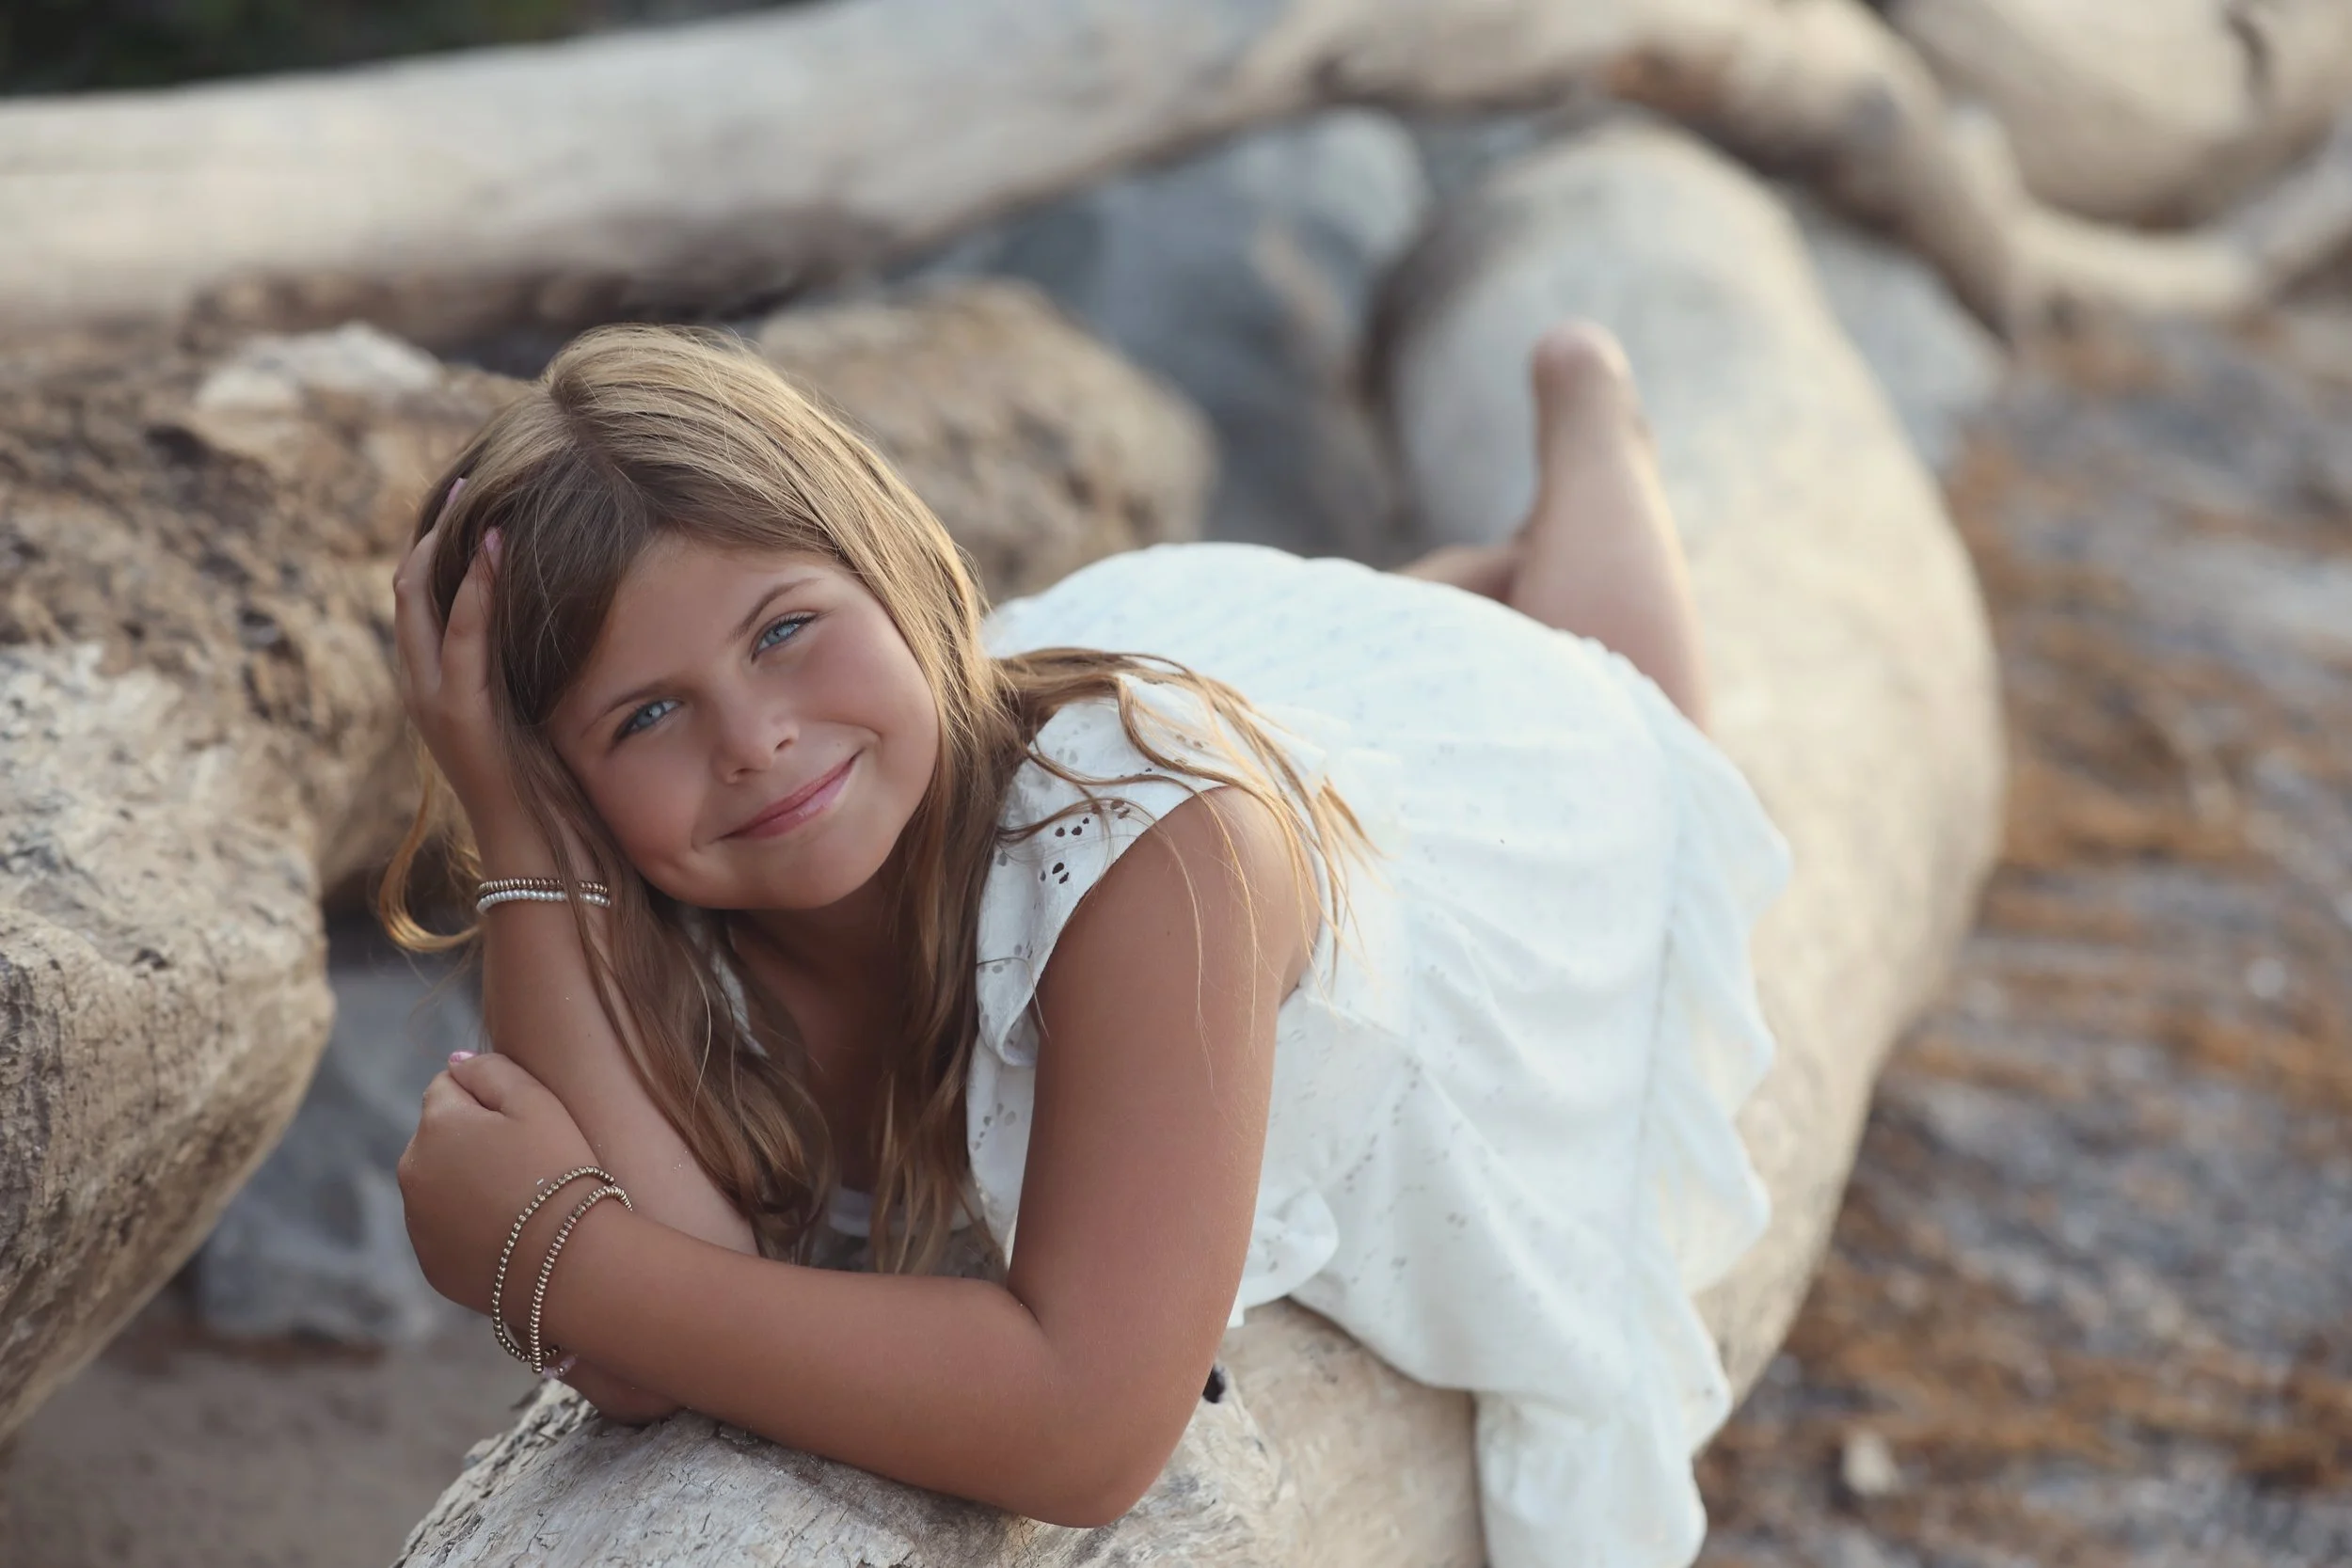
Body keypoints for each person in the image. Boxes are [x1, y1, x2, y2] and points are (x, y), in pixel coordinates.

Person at [386, 318, 1790, 1568]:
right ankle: (1436, 592)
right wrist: (520, 837)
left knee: (1622, 720)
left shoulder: (1154, 853)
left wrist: (558, 1253)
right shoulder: (672, 886)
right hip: (1121, 742)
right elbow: (651, 1343)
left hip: (1448, 851)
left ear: (885, 560)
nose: (755, 741)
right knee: (1370, 663)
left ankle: (1593, 413)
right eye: (643, 716)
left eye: (786, 630)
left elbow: (1088, 1426)